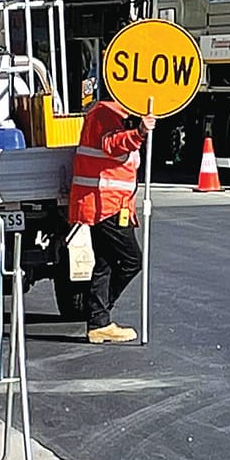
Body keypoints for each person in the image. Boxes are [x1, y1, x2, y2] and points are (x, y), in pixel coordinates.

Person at [69, 81, 155, 343]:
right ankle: (98, 312)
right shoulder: (106, 113)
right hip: (104, 202)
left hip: (108, 202)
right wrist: (140, 132)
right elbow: (112, 144)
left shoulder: (113, 113)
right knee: (131, 260)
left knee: (105, 263)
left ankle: (98, 322)